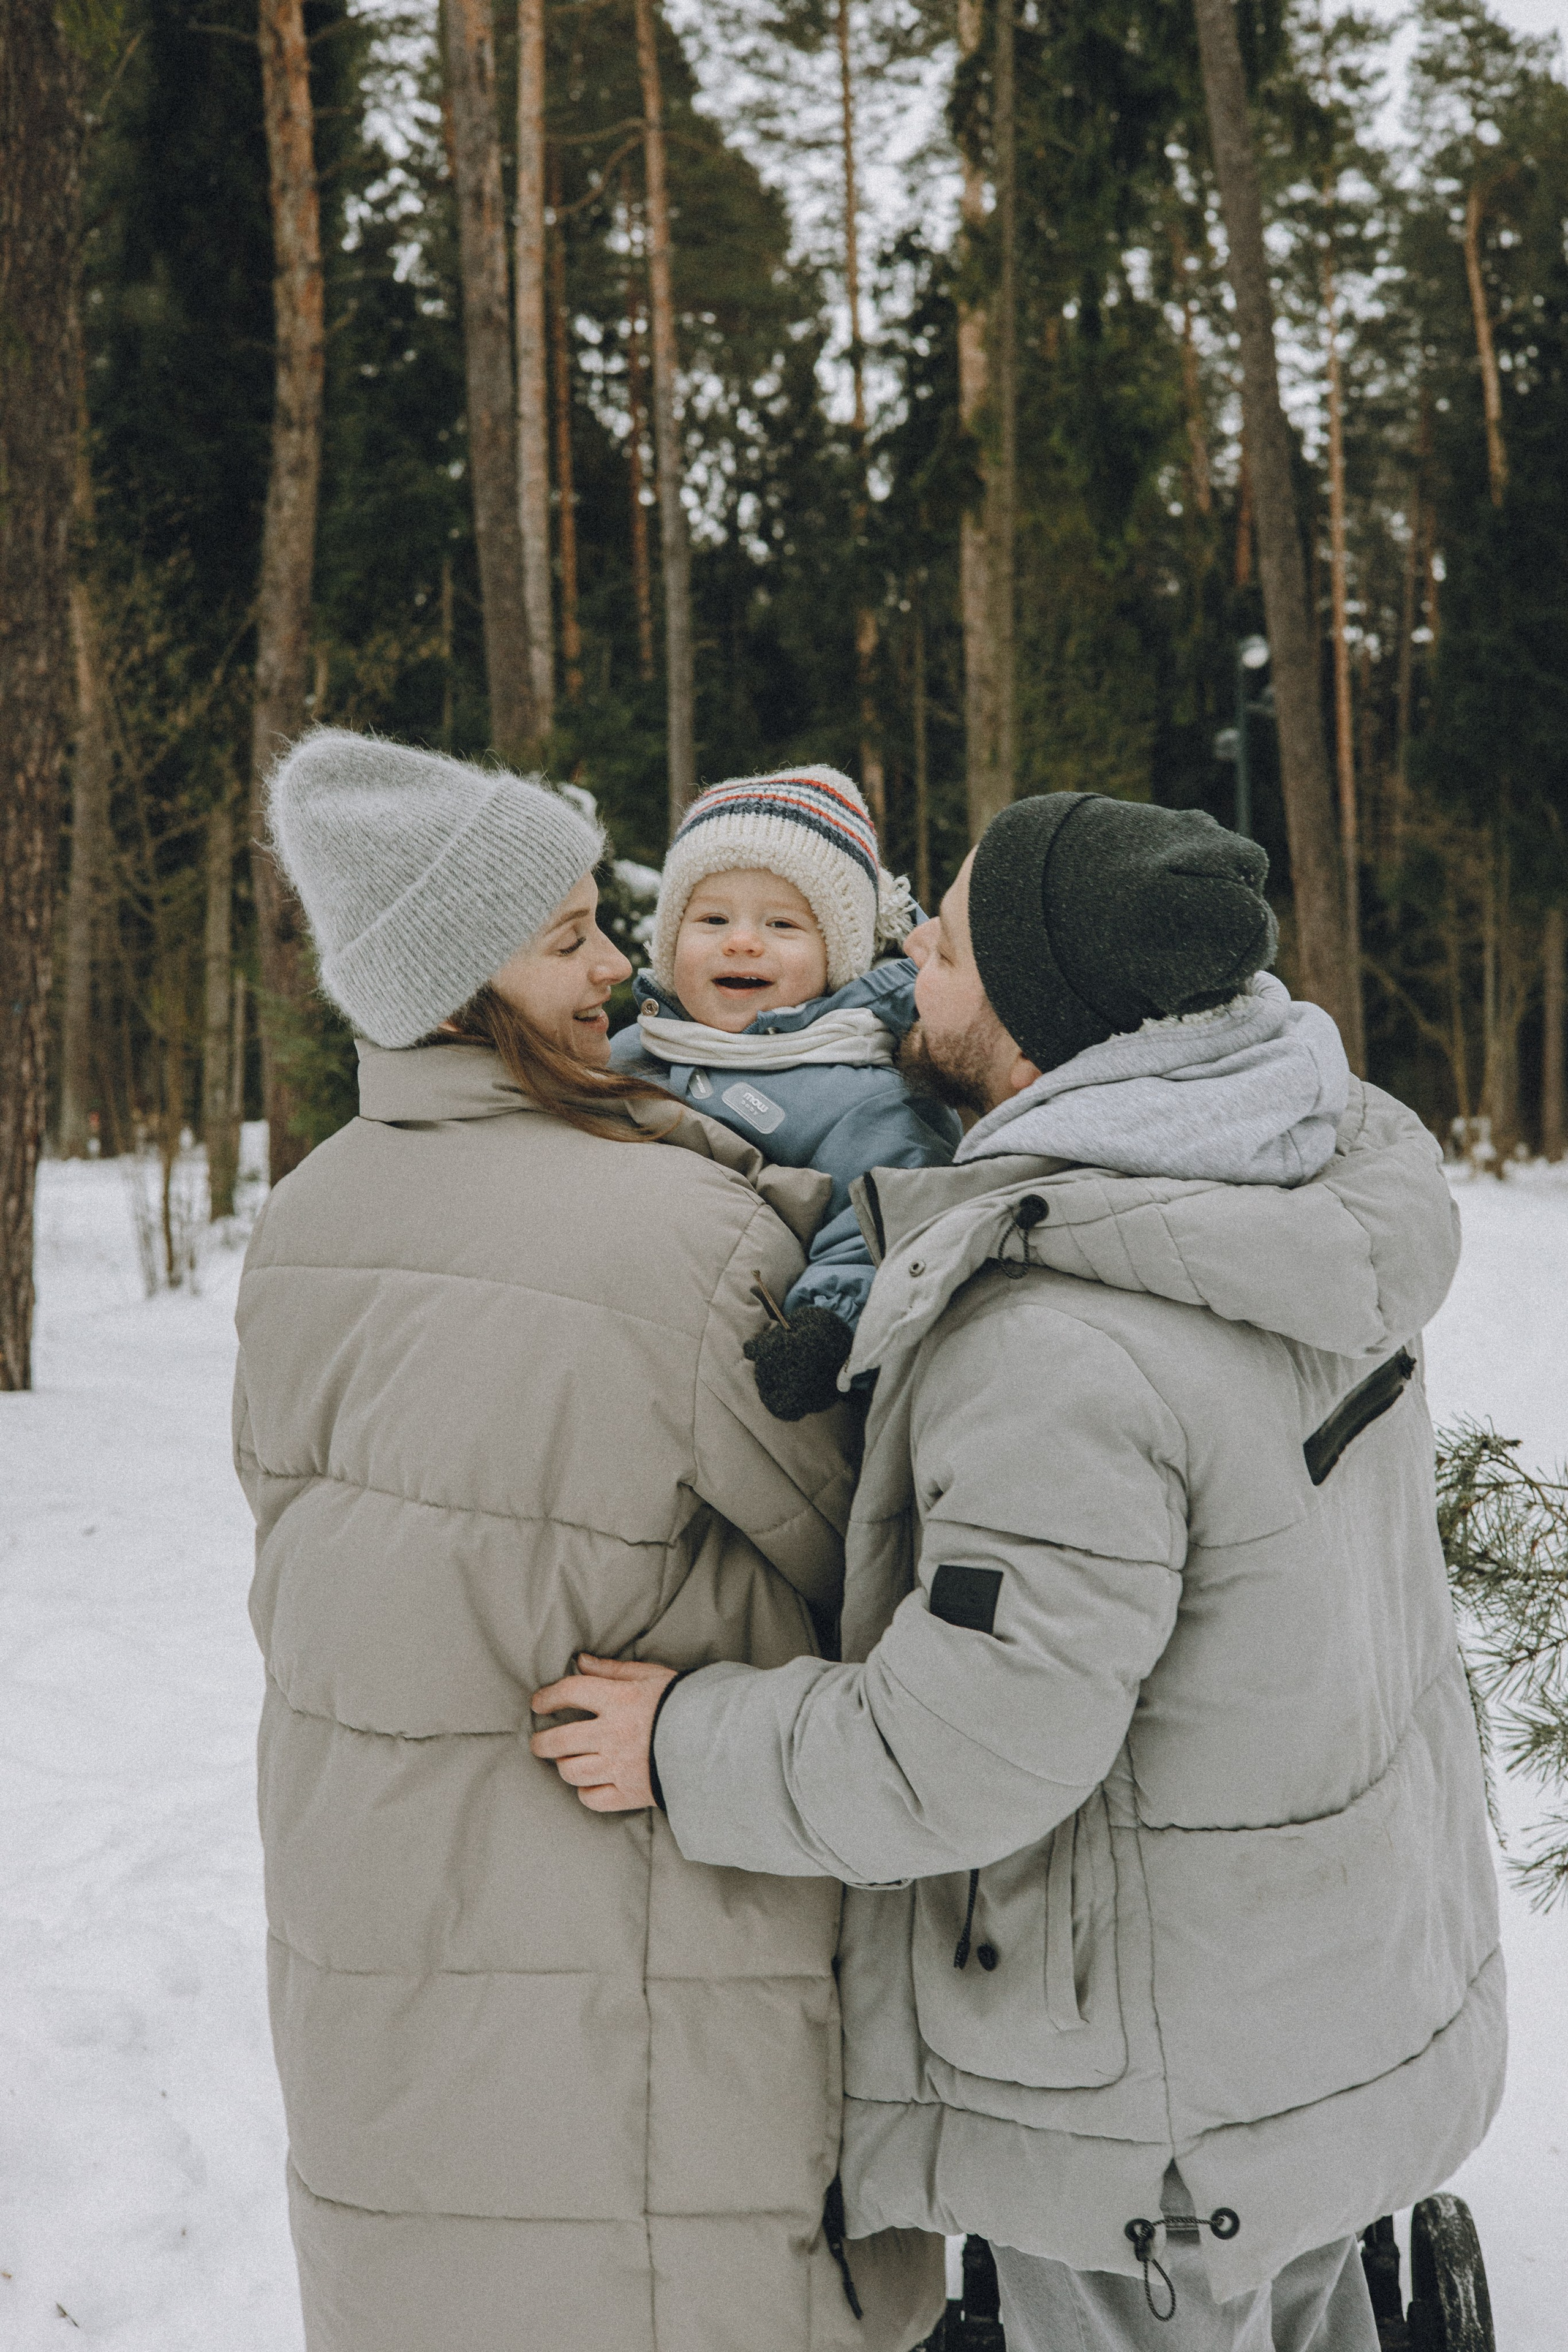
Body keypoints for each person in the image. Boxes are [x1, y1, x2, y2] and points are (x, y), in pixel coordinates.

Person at [532, 791, 1506, 2352]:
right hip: (1320, 1997)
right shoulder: (1290, 1193)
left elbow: (963, 1752)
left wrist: (678, 1740)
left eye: (951, 932)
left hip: (1141, 2098)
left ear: (1041, 1018)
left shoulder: (1056, 1341)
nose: (911, 940)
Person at [232, 728, 943, 2352]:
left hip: (378, 1925)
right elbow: (872, 1554)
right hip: (628, 1946)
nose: (621, 968)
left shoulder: (309, 1216)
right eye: (568, 941)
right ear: (459, 984)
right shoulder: (681, 1234)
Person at [611, 768, 959, 1421]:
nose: (742, 941)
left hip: (748, 1385)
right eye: (712, 918)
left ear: (837, 957)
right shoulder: (632, 1051)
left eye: (782, 924)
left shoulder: (861, 1093)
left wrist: (829, 1324)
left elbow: (882, 1226)